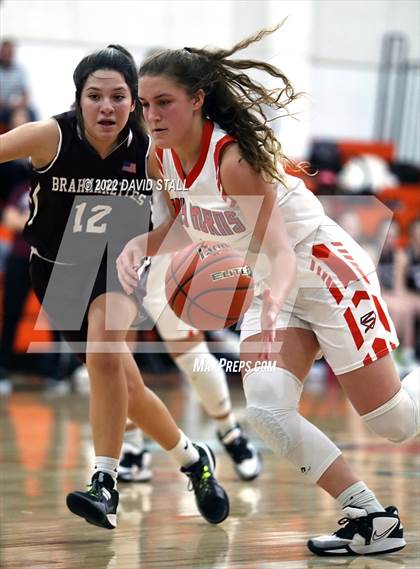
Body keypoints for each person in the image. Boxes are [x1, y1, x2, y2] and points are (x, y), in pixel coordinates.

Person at [116, 25, 419, 556]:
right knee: (267, 408)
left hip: (322, 270)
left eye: (164, 102)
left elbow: (280, 250)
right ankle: (370, 516)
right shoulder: (158, 158)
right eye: (145, 104)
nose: (153, 115)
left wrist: (276, 298)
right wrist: (142, 245)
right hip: (270, 285)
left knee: (392, 423)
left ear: (198, 99)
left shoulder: (233, 159)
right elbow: (189, 223)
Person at [0, 44, 229, 529]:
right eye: (95, 96)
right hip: (56, 271)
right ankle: (194, 459)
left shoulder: (152, 152)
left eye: (119, 96)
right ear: (78, 99)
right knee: (127, 387)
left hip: (117, 265)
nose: (107, 107)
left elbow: (189, 217)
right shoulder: (50, 137)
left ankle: (104, 482)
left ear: (134, 102)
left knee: (105, 356)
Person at [118, 192, 262, 483]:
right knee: (115, 358)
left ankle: (230, 431)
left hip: (162, 247)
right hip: (115, 243)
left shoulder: (156, 151)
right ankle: (132, 449)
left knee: (190, 354)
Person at [0, 39, 35, 131]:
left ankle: (19, 143)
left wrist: (20, 103)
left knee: (22, 115)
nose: (7, 54)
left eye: (10, 52)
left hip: (16, 108)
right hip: (2, 107)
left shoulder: (20, 70)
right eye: (5, 52)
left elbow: (26, 94)